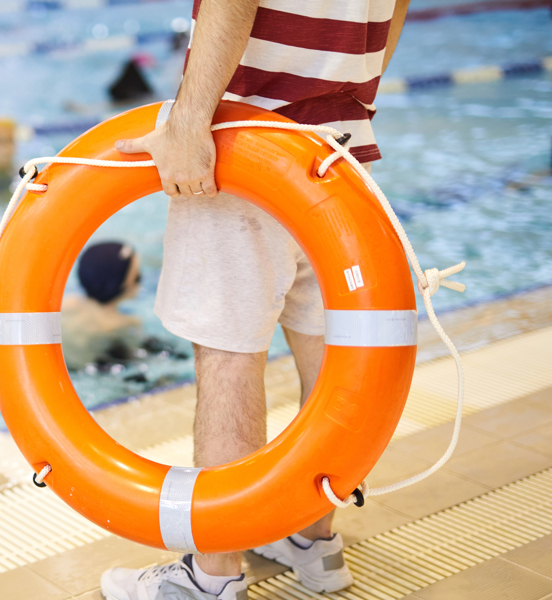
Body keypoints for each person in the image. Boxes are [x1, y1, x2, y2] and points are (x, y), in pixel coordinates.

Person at [98, 1, 413, 599]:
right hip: (340, 149)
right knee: (331, 356)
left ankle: (211, 577)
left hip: (245, 143)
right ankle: (314, 541)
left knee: (228, 358)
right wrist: (349, 95)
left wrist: (189, 122)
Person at [61, 242, 144, 370]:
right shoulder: (125, 324)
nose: (140, 283)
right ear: (122, 285)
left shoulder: (68, 303)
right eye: (137, 277)